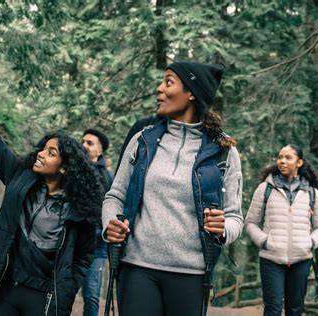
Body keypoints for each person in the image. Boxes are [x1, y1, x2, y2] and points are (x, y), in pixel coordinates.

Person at [0, 70, 104, 316]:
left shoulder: (79, 209)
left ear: (65, 168)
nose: (40, 154)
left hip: (45, 297)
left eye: (51, 153)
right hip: (7, 286)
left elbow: (84, 254)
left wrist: (68, 287)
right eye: (43, 149)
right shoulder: (20, 179)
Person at [102, 61, 243, 316]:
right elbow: (115, 195)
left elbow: (235, 218)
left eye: (168, 82)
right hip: (137, 267)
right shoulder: (142, 140)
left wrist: (223, 229)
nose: (159, 89)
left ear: (191, 92)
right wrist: (110, 223)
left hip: (192, 274)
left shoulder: (224, 153)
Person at [245, 144, 318, 316]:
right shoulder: (265, 189)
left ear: (299, 162)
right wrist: (265, 241)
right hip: (271, 259)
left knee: (295, 310)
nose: (282, 161)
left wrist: (310, 242)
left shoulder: (312, 193)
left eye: (288, 157)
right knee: (273, 309)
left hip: (301, 259)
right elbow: (250, 222)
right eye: (279, 157)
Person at [81, 129, 114, 316]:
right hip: (69, 245)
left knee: (92, 295)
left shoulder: (108, 178)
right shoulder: (70, 171)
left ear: (99, 151)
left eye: (90, 143)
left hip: (97, 248)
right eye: (83, 141)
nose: (84, 145)